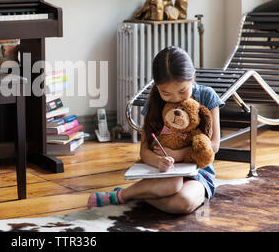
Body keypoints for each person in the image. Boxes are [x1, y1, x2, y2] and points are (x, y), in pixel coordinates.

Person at [87, 46, 224, 214]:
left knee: (183, 202)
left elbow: (214, 145)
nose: (174, 100)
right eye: (166, 93)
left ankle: (135, 195)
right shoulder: (154, 101)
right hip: (165, 174)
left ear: (193, 76)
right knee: (172, 184)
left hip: (199, 172)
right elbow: (144, 151)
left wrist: (179, 155)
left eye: (182, 91)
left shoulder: (207, 96)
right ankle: (120, 196)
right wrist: (158, 161)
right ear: (157, 86)